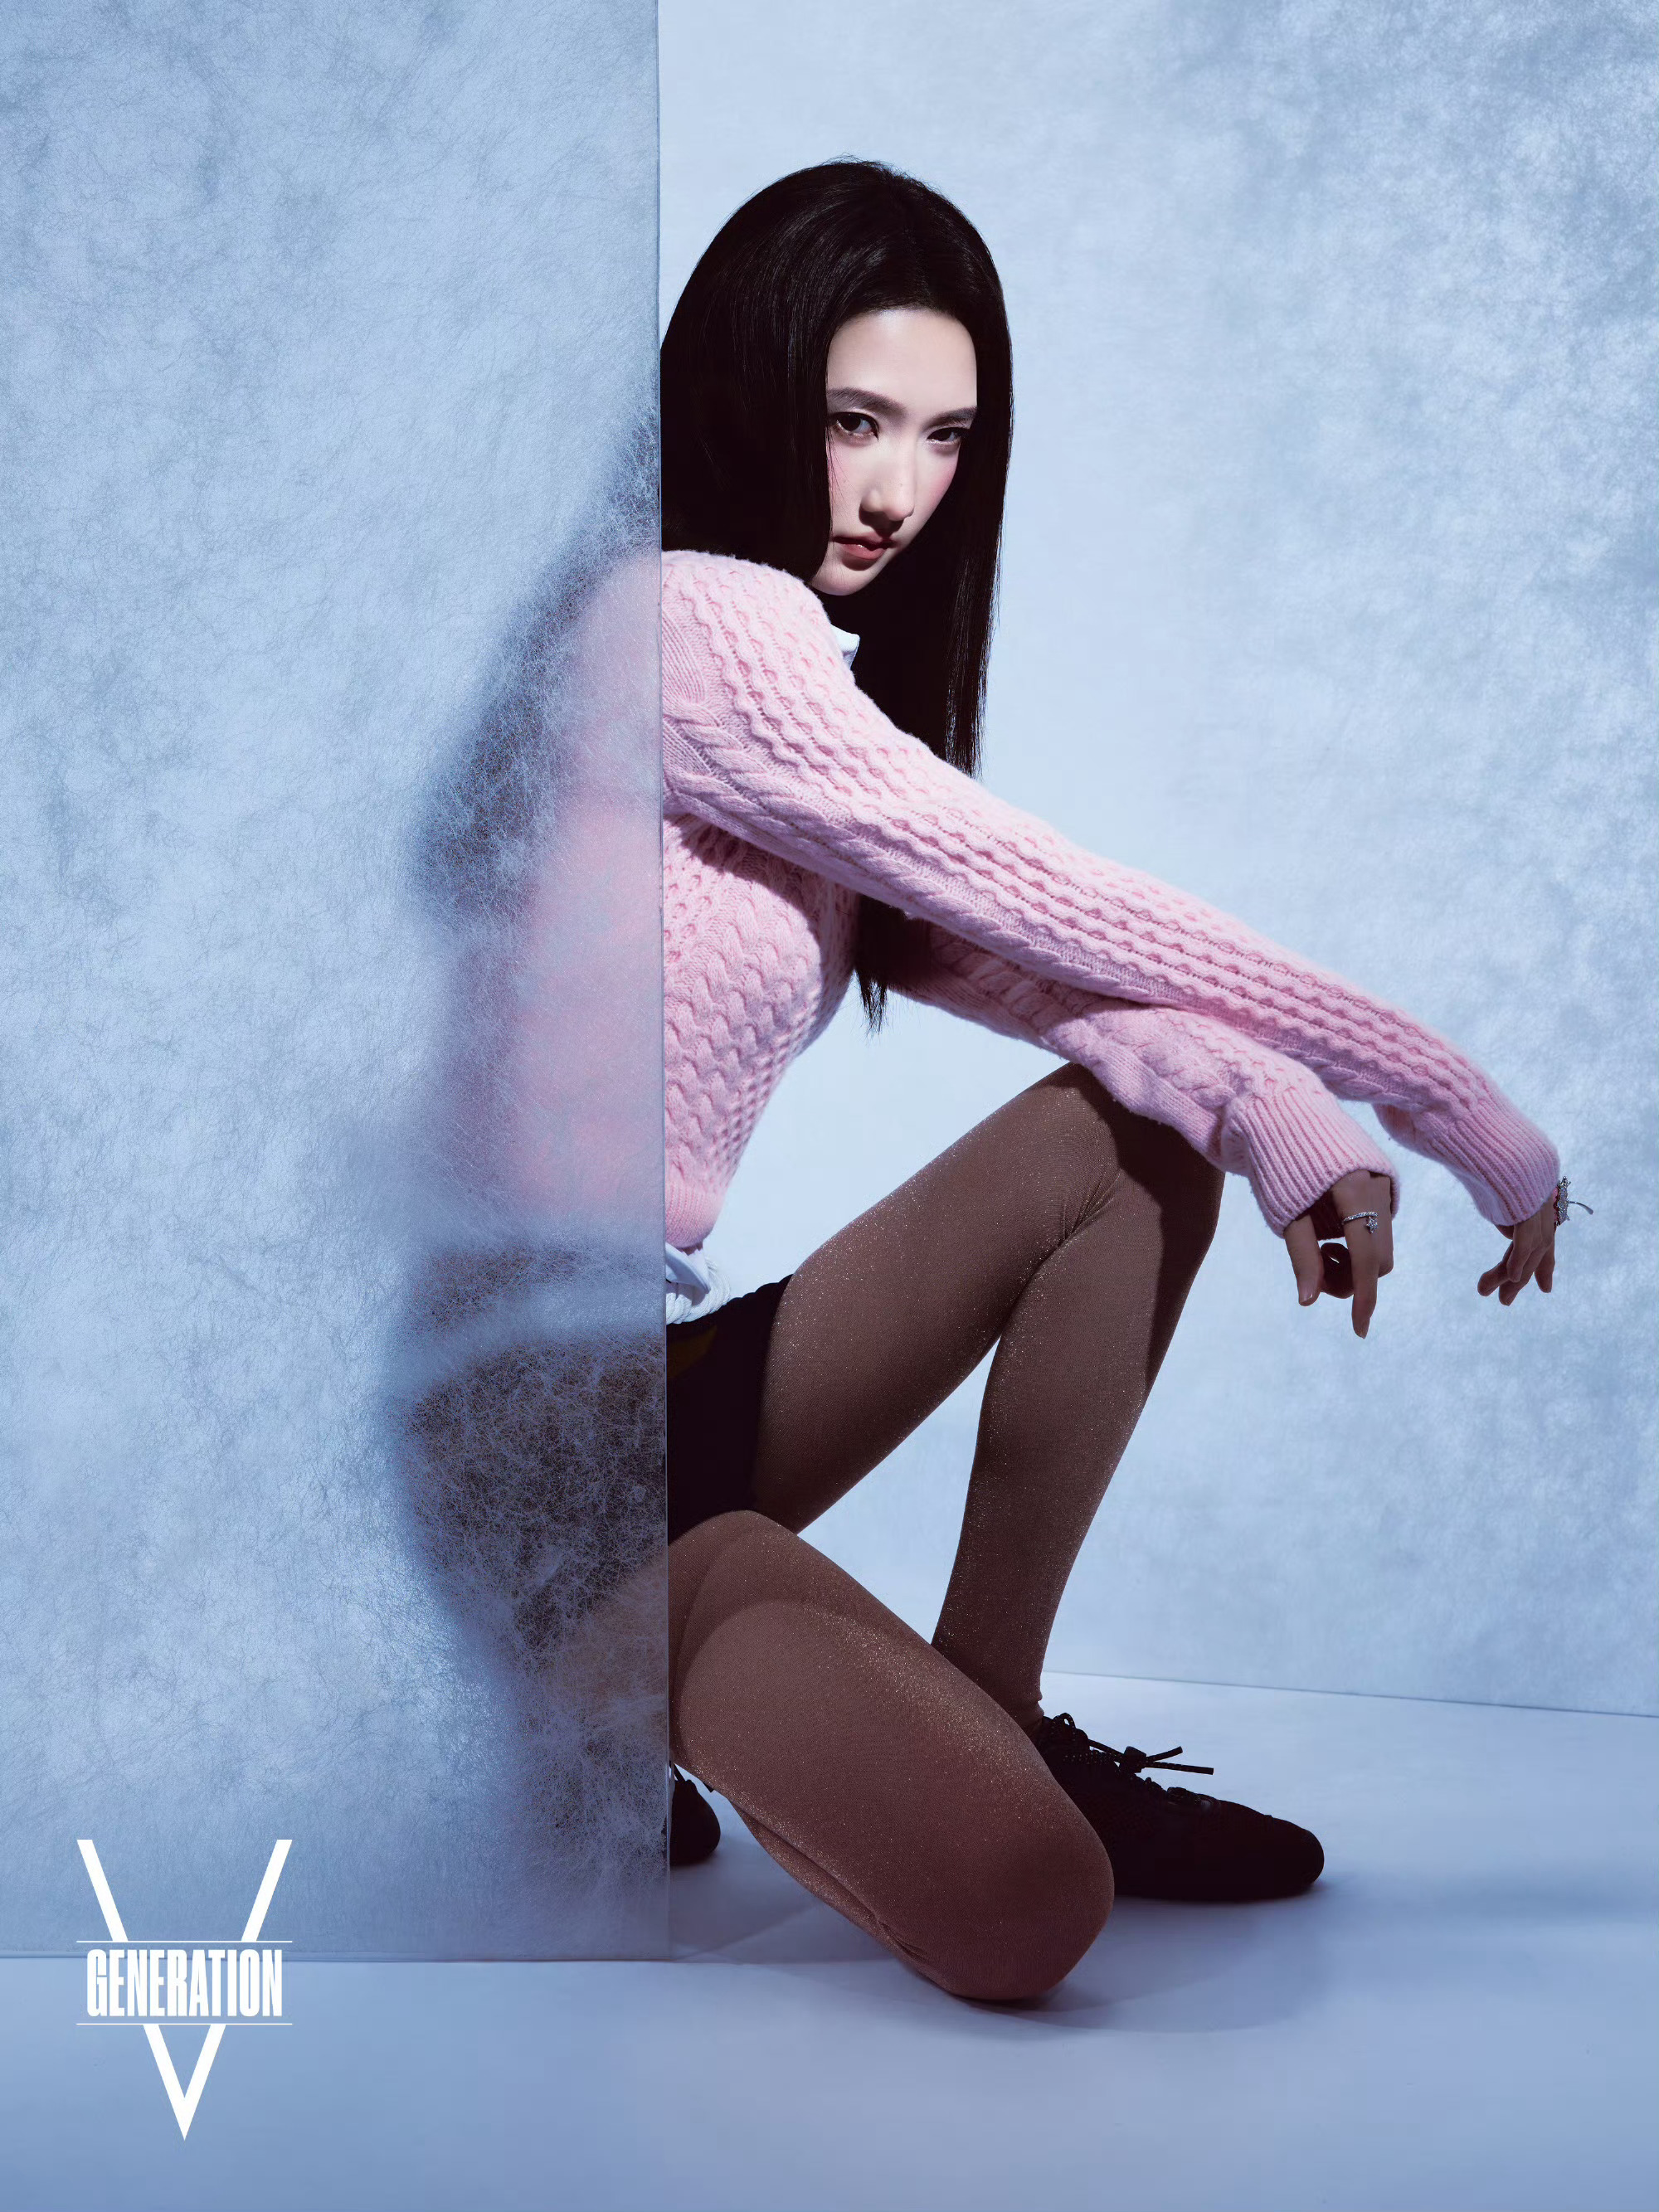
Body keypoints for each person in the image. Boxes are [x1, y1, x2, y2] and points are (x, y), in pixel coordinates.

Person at [646, 158, 1571, 2003]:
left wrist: (1276, 1116)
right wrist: (1451, 1102)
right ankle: (573, 1710)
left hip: (650, 1407)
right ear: (745, 393)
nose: (896, 491)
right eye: (850, 420)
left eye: (945, 437)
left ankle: (987, 1702)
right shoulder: (694, 629)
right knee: (1021, 1906)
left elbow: (1055, 984)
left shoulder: (800, 720)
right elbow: (1064, 898)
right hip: (502, 1466)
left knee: (1135, 1141)